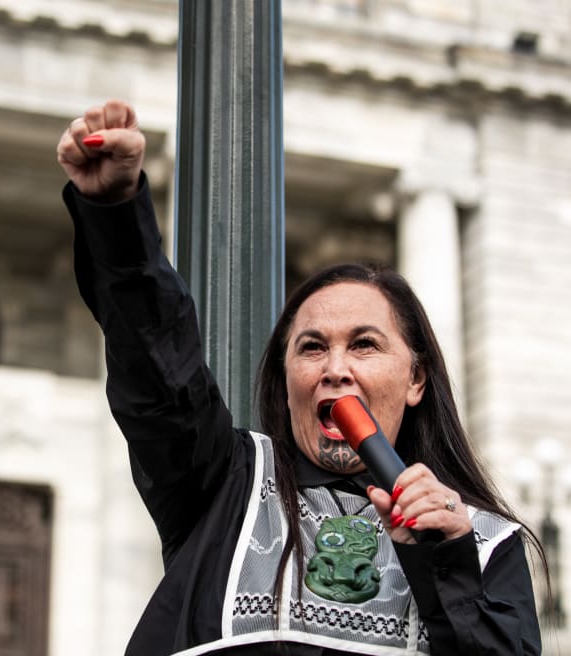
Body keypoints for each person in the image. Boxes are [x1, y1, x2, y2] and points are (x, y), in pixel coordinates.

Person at [57, 99, 544, 655]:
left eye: (364, 344)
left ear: (416, 379)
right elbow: (158, 365)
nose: (336, 370)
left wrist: (447, 565)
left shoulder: (482, 542)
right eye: (312, 348)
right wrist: (117, 216)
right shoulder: (224, 485)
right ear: (285, 379)